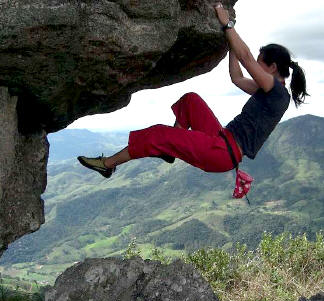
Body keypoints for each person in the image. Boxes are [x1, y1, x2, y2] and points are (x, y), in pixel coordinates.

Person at [78, 2, 308, 187]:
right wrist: (230, 43)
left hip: (222, 153)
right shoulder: (268, 92)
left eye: (261, 65)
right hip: (223, 140)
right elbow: (236, 77)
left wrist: (228, 26)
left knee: (158, 135)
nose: (257, 68)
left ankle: (107, 164)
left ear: (273, 68)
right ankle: (170, 150)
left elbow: (246, 58)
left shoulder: (277, 92)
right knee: (191, 101)